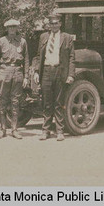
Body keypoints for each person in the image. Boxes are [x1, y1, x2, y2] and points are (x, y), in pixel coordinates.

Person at [33, 13, 75, 141]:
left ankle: (60, 131)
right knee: (47, 103)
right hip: (46, 71)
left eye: (56, 23)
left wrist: (71, 75)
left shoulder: (66, 38)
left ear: (60, 24)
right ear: (48, 25)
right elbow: (39, 56)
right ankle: (45, 131)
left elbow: (72, 58)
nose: (54, 25)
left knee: (58, 102)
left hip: (60, 72)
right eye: (51, 23)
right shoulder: (43, 37)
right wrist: (36, 71)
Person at [0, 19, 29, 139]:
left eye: (14, 27)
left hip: (18, 72)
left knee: (15, 102)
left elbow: (26, 60)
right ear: (6, 29)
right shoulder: (1, 41)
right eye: (10, 27)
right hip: (4, 72)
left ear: (17, 28)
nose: (12, 29)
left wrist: (26, 77)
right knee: (2, 101)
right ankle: (3, 129)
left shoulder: (22, 42)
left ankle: (14, 129)